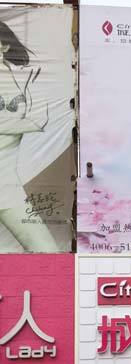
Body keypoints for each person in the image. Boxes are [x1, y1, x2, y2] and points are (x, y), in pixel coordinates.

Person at [0, 20, 57, 252]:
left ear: (5, 46)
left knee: (48, 253)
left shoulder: (25, 76)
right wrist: (14, 122)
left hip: (6, 184)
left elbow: (40, 119)